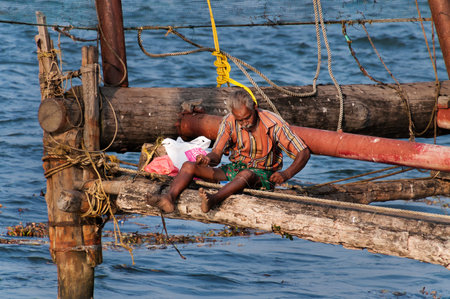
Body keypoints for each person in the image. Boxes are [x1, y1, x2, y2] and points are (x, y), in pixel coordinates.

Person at [154, 90, 310, 213]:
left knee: (246, 175)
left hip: (263, 174)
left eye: (247, 118)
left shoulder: (274, 124)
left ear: (254, 108)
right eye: (239, 120)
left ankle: (214, 199)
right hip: (235, 169)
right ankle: (169, 197)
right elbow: (217, 154)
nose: (244, 124)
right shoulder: (229, 121)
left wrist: (286, 174)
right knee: (189, 165)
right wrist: (208, 159)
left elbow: (303, 152)